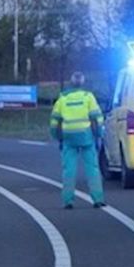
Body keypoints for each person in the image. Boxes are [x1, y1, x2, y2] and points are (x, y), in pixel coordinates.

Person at [50, 71, 106, 209]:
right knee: (92, 168)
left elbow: (54, 122)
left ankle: (68, 201)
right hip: (86, 136)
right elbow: (97, 118)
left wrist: (58, 137)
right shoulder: (88, 97)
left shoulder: (62, 99)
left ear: (71, 82)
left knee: (68, 169)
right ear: (83, 83)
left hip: (68, 137)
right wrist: (98, 135)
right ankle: (97, 199)